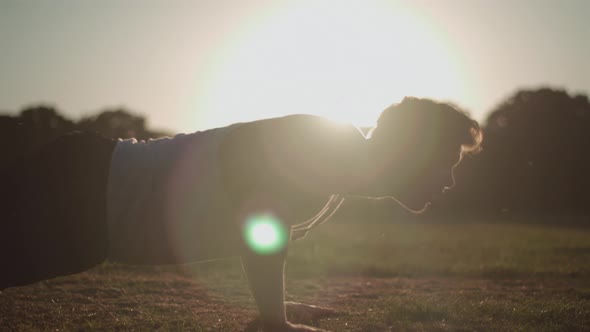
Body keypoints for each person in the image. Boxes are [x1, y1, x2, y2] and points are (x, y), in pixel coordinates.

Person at [0, 97, 482, 332]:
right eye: (447, 163)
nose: (449, 180)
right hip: (80, 187)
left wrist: (275, 310)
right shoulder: (332, 149)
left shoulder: (340, 167)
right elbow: (260, 220)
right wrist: (274, 320)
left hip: (89, 208)